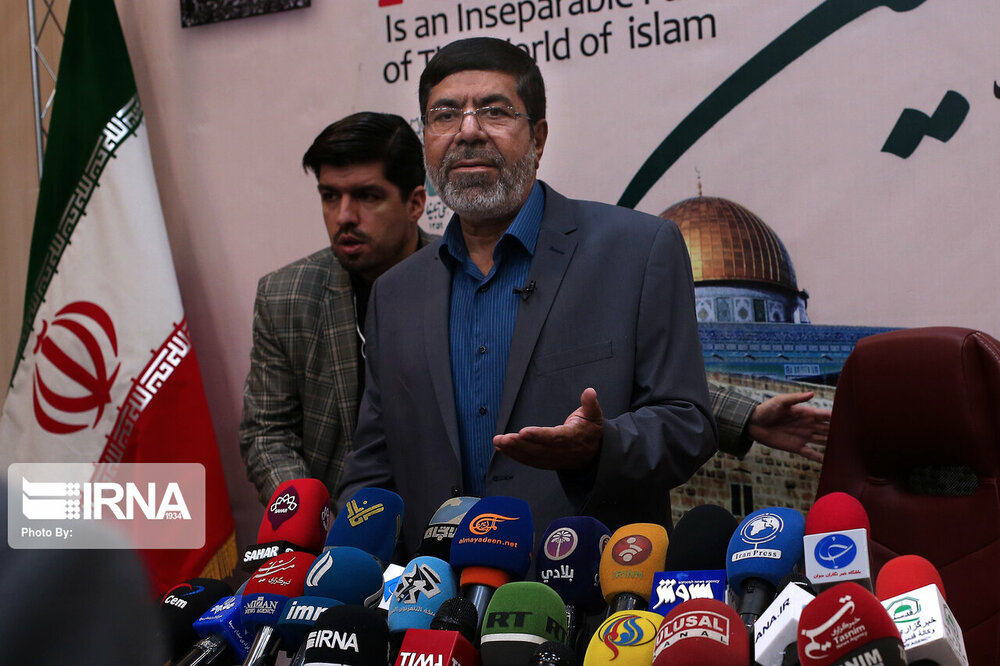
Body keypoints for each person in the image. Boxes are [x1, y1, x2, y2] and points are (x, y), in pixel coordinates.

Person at [338, 37, 723, 555]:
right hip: (435, 592)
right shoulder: (395, 293)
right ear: (426, 139)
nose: (467, 131)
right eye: (444, 116)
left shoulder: (638, 250)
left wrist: (600, 445)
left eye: (494, 111)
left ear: (538, 138)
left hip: (587, 583)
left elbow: (687, 423)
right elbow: (374, 464)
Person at [239, 112, 434, 504]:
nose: (344, 216)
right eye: (330, 196)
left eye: (367, 196)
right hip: (330, 525)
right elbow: (267, 433)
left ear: (415, 203)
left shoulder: (463, 282)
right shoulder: (285, 296)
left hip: (445, 522)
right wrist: (313, 516)